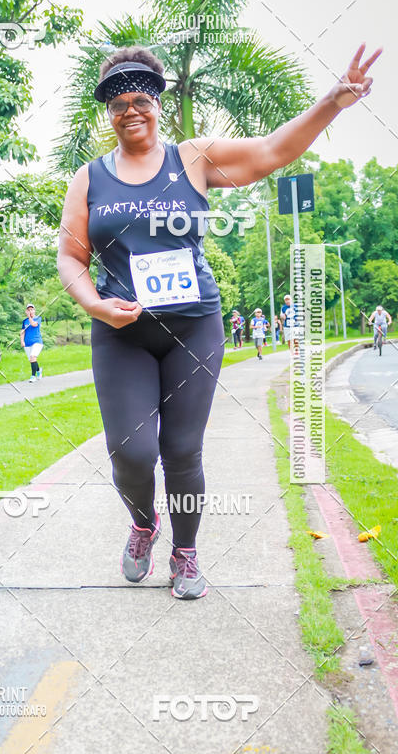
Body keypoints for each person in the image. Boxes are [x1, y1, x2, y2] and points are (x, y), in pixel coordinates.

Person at [56, 42, 381, 600]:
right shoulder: (88, 179)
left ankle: (186, 553)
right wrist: (94, 305)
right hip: (121, 332)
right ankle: (143, 525)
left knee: (182, 449)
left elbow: (274, 151)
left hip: (193, 327)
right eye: (116, 102)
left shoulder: (195, 159)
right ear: (106, 112)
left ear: (158, 101)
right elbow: (70, 256)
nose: (130, 110)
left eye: (140, 98)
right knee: (132, 452)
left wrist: (334, 99)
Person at [20, 304, 44, 382]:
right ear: (26, 311)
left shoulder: (38, 318)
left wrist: (29, 317)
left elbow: (34, 325)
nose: (30, 311)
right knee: (32, 359)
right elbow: (22, 332)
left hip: (37, 342)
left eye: (31, 309)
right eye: (28, 310)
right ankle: (38, 370)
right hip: (27, 343)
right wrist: (22, 341)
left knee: (33, 356)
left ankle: (33, 376)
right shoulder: (24, 321)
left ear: (34, 310)